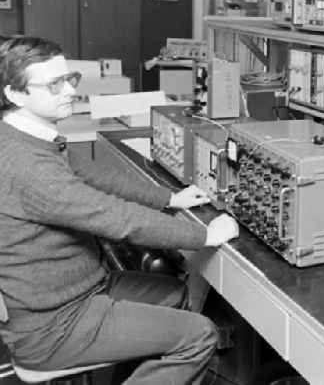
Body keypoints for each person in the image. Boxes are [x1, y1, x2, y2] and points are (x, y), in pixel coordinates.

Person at [0, 36, 239, 384]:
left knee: (176, 293)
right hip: (52, 326)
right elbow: (117, 218)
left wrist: (168, 198)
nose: (69, 90)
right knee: (200, 334)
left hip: (79, 290)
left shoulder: (25, 136)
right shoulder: (29, 167)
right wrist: (204, 235)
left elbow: (95, 175)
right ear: (14, 94)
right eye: (54, 84)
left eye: (70, 79)